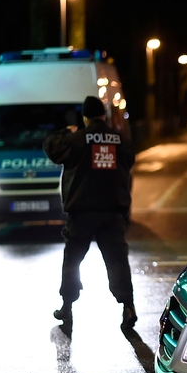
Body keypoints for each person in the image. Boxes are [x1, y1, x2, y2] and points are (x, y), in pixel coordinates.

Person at [43, 96, 137, 330]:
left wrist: (68, 130)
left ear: (85, 117)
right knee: (116, 260)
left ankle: (67, 308)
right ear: (104, 115)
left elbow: (51, 147)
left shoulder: (77, 139)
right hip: (112, 211)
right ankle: (128, 307)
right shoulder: (121, 140)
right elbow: (129, 161)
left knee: (73, 260)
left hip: (82, 213)